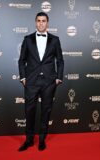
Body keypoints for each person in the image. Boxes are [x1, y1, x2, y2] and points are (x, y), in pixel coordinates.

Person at [18, 12, 64, 151]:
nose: (41, 23)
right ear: (35, 22)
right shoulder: (27, 39)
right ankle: (29, 140)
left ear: (47, 23)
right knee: (29, 111)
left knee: (46, 111)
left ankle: (42, 140)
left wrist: (58, 77)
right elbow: (22, 60)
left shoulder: (55, 40)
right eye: (38, 21)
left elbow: (60, 60)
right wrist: (23, 78)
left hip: (49, 82)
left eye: (44, 21)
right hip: (31, 81)